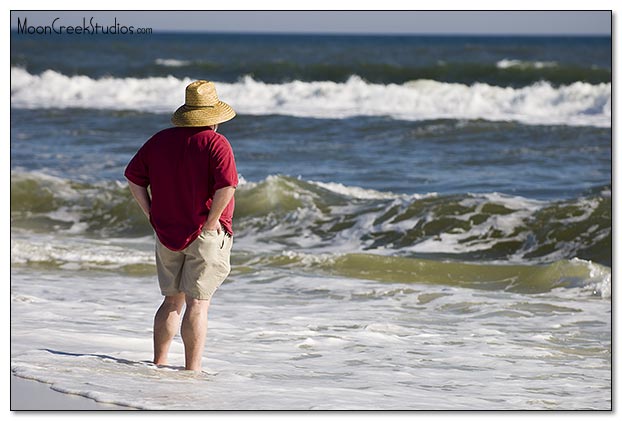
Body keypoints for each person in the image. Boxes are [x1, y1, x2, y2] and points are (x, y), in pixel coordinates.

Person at [124, 80, 238, 371]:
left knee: (171, 301)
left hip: (166, 233)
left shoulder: (160, 140)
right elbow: (228, 187)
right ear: (214, 118)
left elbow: (134, 178)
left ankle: (159, 364)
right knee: (197, 304)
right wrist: (212, 224)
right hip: (204, 233)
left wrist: (151, 214)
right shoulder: (216, 143)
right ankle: (192, 370)